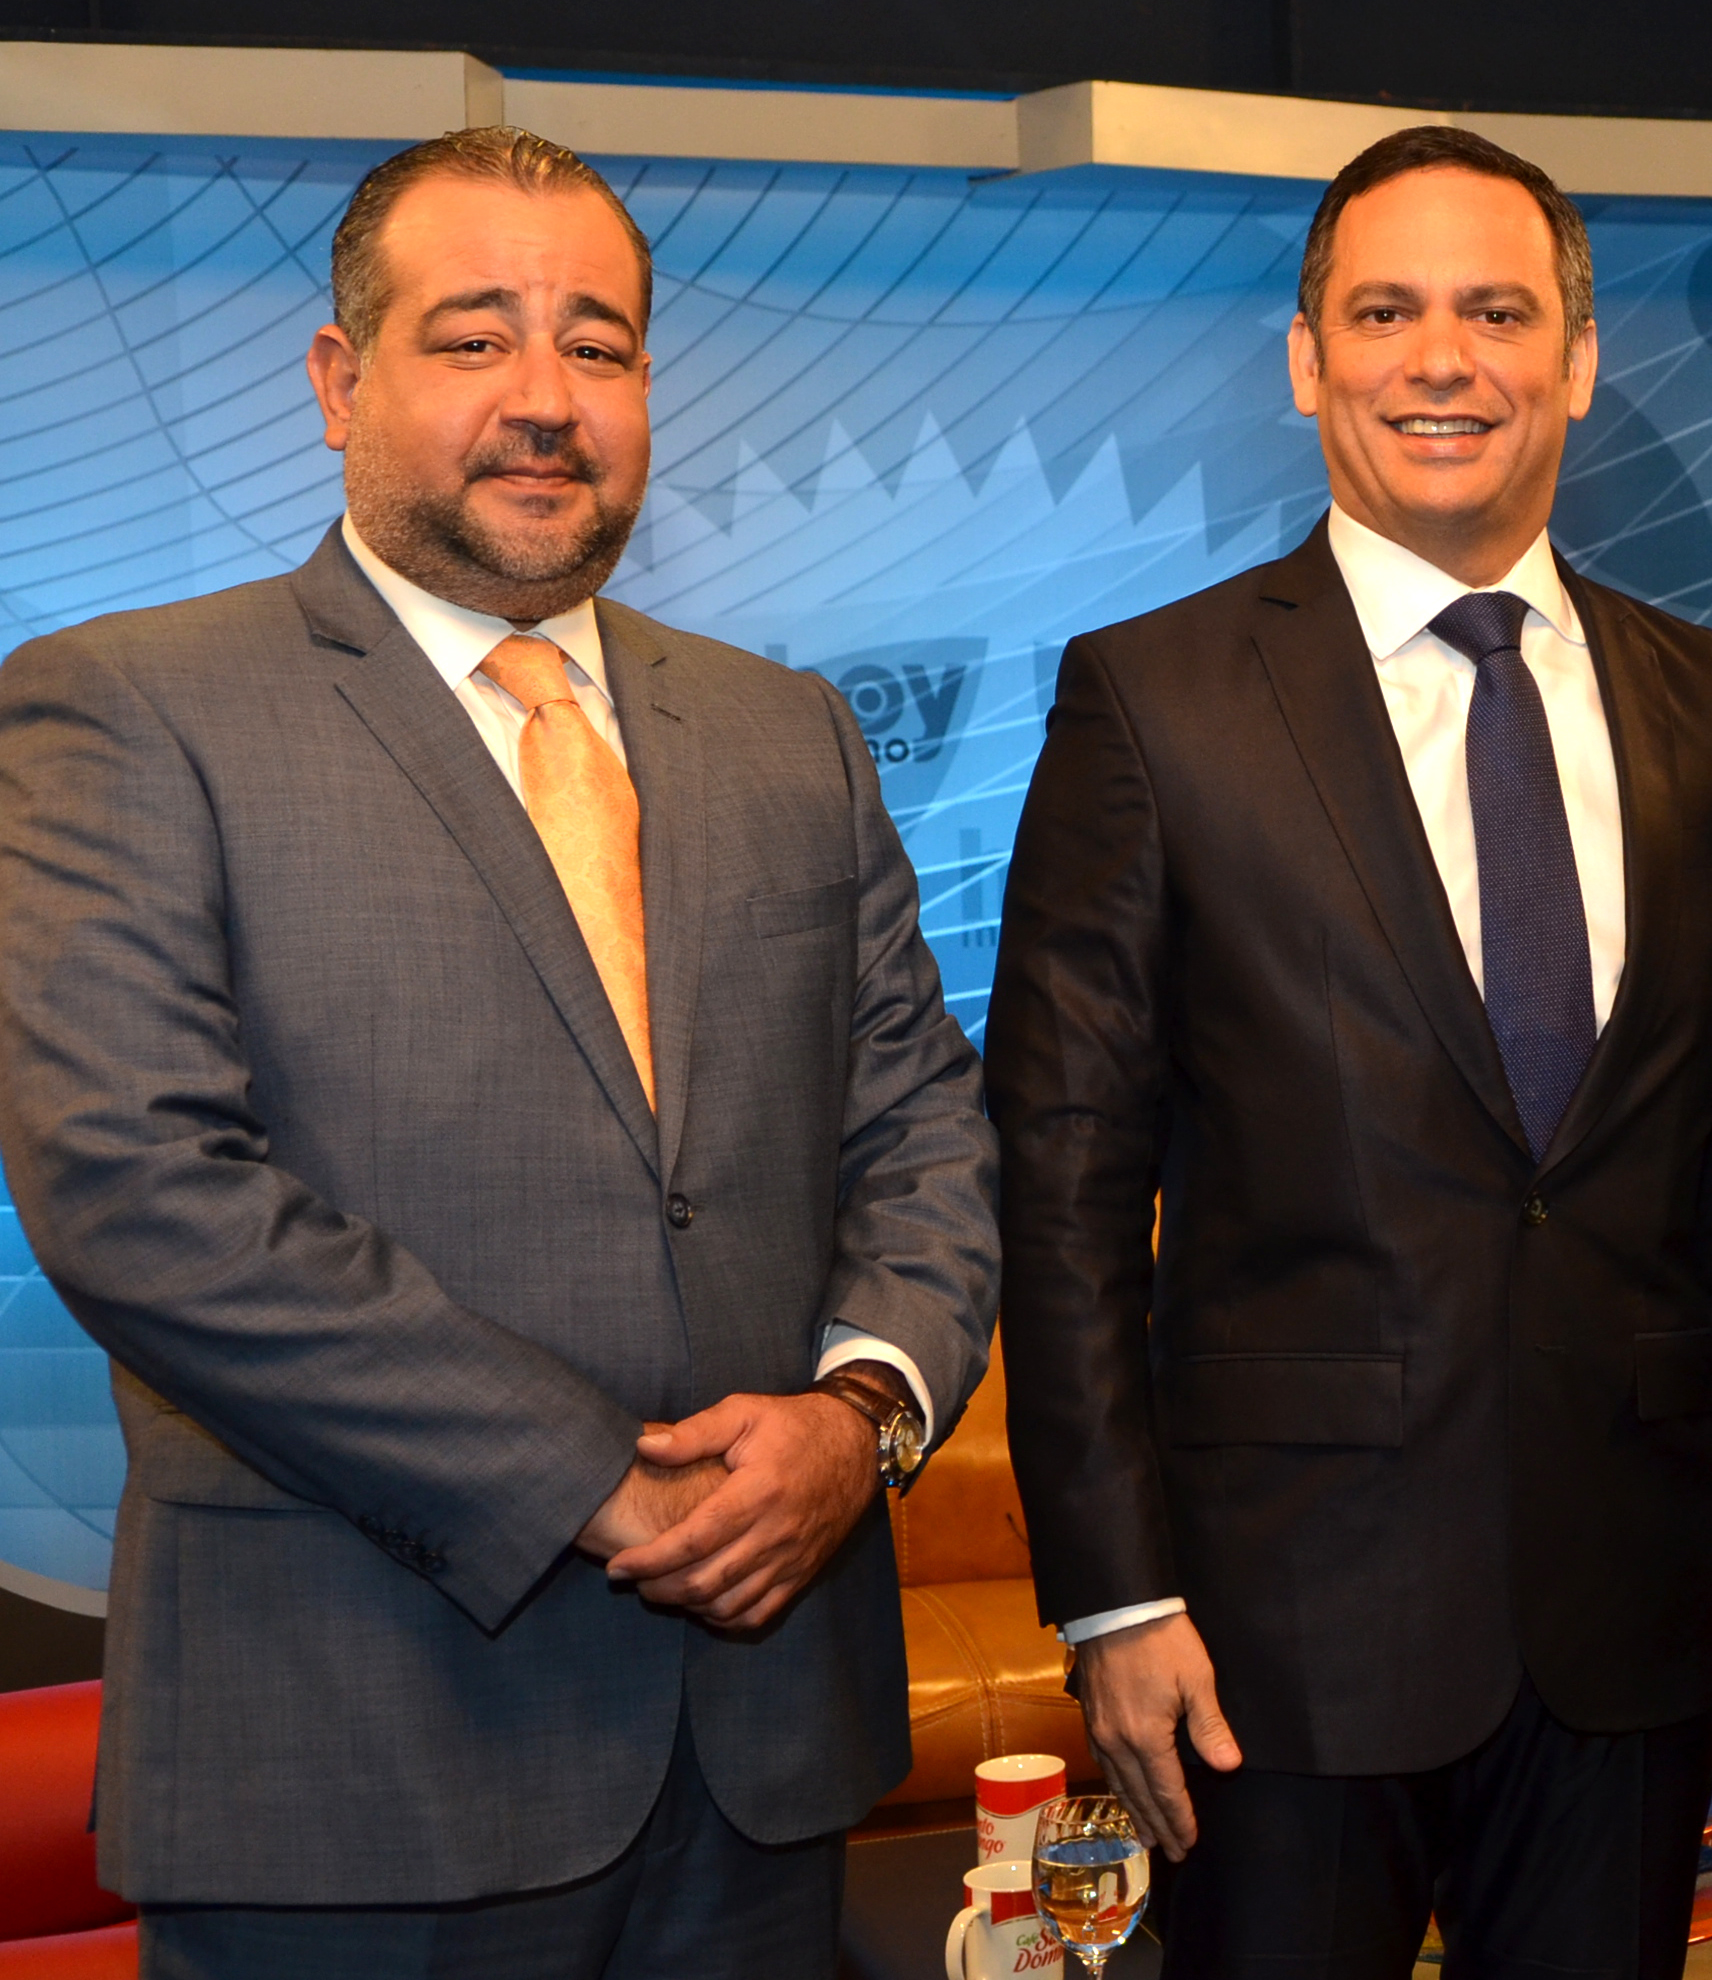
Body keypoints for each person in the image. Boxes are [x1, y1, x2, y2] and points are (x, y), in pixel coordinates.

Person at [0, 128, 999, 1977]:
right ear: (338, 382)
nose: (545, 398)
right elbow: (137, 1191)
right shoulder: (130, 708)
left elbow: (923, 1124)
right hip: (357, 1770)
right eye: (472, 339)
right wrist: (596, 1480)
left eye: (596, 345)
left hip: (765, 1762)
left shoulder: (788, 733)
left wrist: (861, 1417)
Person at [988, 124, 1712, 1977]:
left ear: (1580, 360)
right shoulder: (1152, 699)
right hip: (1276, 1632)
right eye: (1385, 313)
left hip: (1633, 1615)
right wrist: (1115, 1594)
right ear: (1308, 361)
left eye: (1497, 313)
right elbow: (1062, 1186)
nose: (1442, 361)